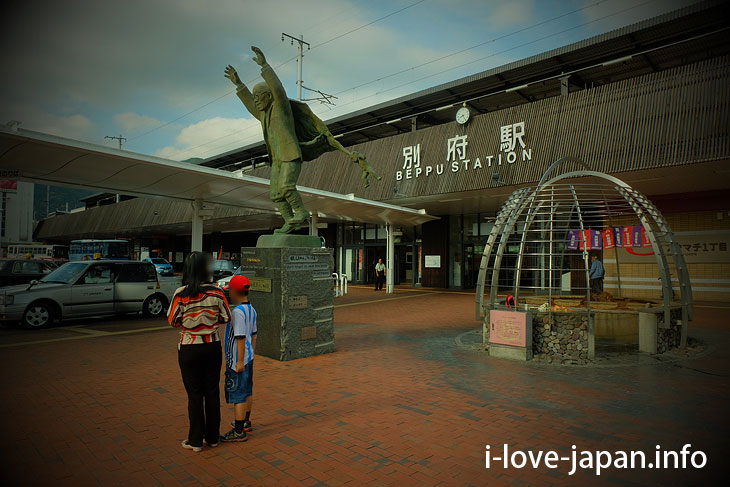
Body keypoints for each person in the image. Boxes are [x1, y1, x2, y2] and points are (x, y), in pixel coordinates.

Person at [167, 252, 231, 453]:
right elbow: (226, 317)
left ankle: (195, 441)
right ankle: (212, 437)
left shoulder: (181, 293)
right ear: (206, 269)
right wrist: (210, 323)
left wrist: (190, 324)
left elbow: (172, 320)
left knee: (194, 394)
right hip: (212, 346)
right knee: (212, 391)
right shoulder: (217, 292)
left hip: (189, 348)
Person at [220, 275, 257, 442]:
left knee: (239, 393)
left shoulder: (237, 312)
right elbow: (254, 335)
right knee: (247, 390)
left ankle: (239, 430)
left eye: (230, 292)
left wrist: (239, 361)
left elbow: (240, 337)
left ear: (235, 291)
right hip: (249, 357)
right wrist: (250, 355)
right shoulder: (252, 309)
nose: (230, 295)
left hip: (238, 359)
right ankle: (246, 421)